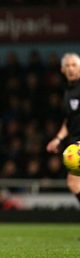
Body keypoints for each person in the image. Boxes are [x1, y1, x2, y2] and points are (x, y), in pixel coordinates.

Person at [46, 53, 80, 206]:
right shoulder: (68, 91)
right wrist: (58, 138)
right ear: (62, 69)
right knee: (73, 184)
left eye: (74, 65)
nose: (71, 69)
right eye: (68, 65)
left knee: (73, 182)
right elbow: (68, 120)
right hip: (74, 142)